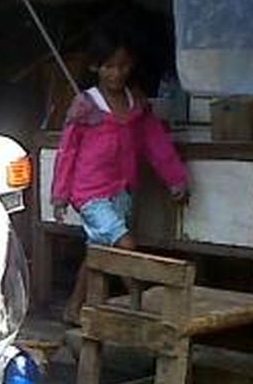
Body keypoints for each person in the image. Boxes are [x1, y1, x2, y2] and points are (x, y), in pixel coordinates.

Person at [52, 29, 189, 325]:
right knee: (125, 245)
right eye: (109, 66)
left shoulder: (136, 103)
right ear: (95, 67)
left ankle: (73, 308)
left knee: (98, 253)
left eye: (123, 66)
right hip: (89, 194)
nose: (116, 73)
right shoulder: (85, 105)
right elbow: (67, 152)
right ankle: (145, 309)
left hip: (122, 191)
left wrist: (175, 178)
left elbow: (156, 143)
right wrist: (60, 194)